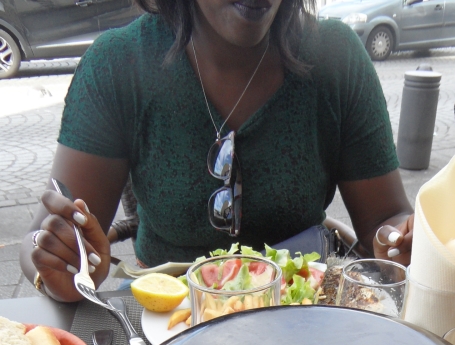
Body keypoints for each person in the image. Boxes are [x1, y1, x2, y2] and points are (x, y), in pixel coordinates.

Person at [20, 0, 414, 303]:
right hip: (164, 323)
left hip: (303, 315)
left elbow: (386, 220)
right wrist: (60, 267)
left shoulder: (336, 56)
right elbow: (41, 239)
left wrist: (401, 239)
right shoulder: (118, 64)